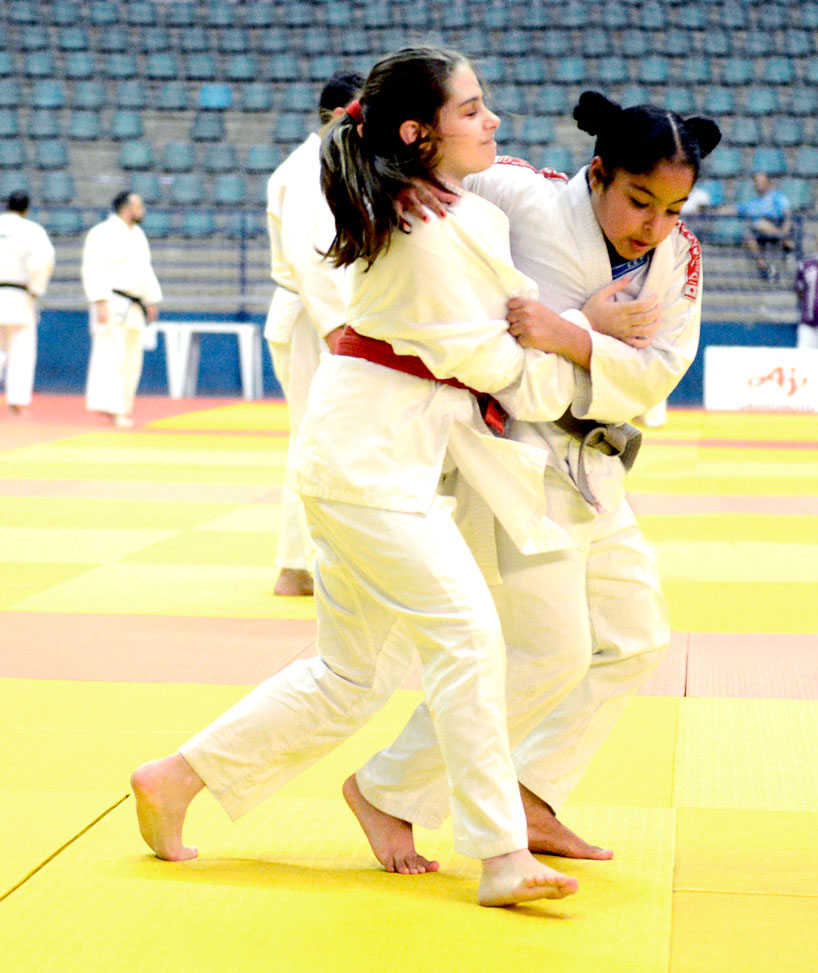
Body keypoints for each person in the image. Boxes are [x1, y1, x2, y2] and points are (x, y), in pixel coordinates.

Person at [130, 45, 606, 908]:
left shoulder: (424, 208)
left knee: (349, 677)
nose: (491, 119)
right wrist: (585, 337)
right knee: (468, 638)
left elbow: (497, 354)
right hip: (369, 473)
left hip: (360, 460)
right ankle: (501, 853)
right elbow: (508, 368)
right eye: (471, 109)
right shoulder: (435, 231)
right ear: (418, 133)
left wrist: (566, 337)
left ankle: (176, 777)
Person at [347, 92, 720, 868]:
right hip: (513, 452)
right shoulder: (520, 192)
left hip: (599, 455)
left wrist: (568, 335)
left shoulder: (678, 257)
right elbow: (426, 202)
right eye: (639, 200)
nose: (652, 224)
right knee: (547, 652)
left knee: (638, 639)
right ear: (598, 172)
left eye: (674, 206)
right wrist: (573, 324)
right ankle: (388, 789)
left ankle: (535, 794)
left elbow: (657, 374)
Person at [264, 69, 364, 597]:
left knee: (328, 437)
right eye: (359, 115)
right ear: (333, 117)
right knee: (313, 436)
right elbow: (312, 261)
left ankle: (314, 560)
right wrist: (337, 331)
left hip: (324, 314)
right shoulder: (309, 168)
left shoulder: (332, 164)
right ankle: (296, 565)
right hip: (312, 315)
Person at [82, 191, 161, 428]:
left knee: (132, 360)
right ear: (126, 208)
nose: (143, 210)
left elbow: (145, 270)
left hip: (134, 304)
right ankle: (113, 409)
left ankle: (123, 408)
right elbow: (93, 267)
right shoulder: (102, 233)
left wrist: (151, 299)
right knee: (111, 357)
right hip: (111, 301)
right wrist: (99, 301)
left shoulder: (138, 235)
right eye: (139, 206)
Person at [0, 191, 55, 413]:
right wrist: (35, 290)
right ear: (26, 209)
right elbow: (43, 262)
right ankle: (17, 402)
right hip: (19, 295)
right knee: (21, 350)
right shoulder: (32, 230)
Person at [737, 171, 793, 280]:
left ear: (768, 182)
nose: (759, 184)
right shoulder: (751, 203)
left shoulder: (777, 197)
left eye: (761, 181)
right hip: (762, 232)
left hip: (778, 223)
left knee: (759, 223)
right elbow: (735, 210)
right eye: (757, 182)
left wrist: (785, 231)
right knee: (750, 232)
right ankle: (763, 267)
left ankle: (786, 242)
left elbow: (787, 215)